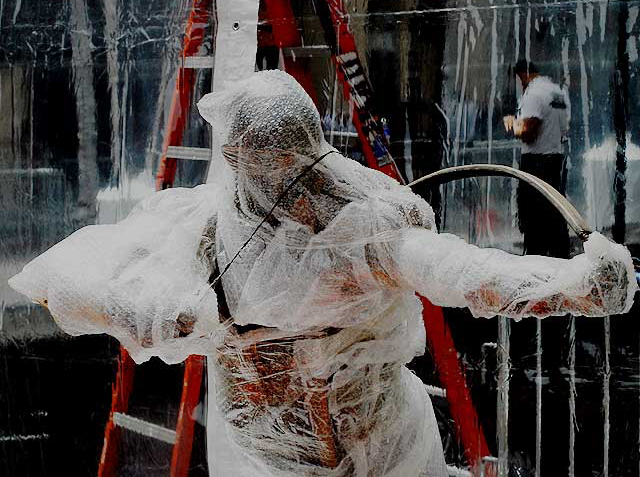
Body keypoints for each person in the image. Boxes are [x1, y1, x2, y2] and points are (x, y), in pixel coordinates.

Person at [9, 70, 637, 477]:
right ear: (236, 158)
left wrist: (570, 286)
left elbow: (463, 270)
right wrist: (168, 313)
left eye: (300, 163)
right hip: (266, 457)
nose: (297, 186)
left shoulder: (361, 226)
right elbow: (69, 276)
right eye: (271, 166)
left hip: (384, 446)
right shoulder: (205, 224)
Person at [504, 59, 571, 258]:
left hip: (535, 162)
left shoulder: (533, 94)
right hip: (555, 158)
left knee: (533, 216)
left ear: (522, 75)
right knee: (555, 212)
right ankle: (559, 257)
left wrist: (512, 124)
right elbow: (565, 129)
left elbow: (529, 132)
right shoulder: (558, 92)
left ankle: (535, 259)